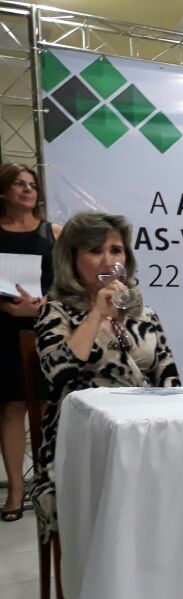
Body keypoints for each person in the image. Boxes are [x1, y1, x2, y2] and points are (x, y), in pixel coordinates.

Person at [31, 212, 179, 540]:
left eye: (116, 250)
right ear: (71, 259)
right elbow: (57, 373)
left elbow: (170, 379)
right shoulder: (55, 311)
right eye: (95, 250)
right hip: (80, 443)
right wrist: (97, 314)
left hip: (144, 437)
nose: (108, 260)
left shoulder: (145, 314)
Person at [0, 163, 60, 522]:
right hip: (5, 328)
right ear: (4, 191)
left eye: (32, 185)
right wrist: (9, 308)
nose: (27, 190)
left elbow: (69, 281)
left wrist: (45, 303)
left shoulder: (53, 233)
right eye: (19, 184)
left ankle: (49, 482)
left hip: (48, 326)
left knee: (51, 406)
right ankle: (15, 491)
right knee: (12, 408)